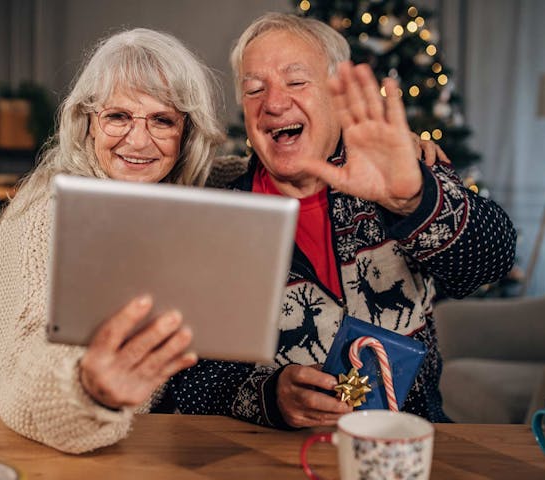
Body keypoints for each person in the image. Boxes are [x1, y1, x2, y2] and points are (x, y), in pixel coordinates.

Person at [165, 12, 517, 428]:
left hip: (410, 442)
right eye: (254, 88)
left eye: (297, 82)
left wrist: (414, 202)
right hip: (275, 458)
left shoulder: (401, 174)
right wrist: (270, 395)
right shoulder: (216, 220)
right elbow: (185, 381)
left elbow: (493, 260)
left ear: (336, 94)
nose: (274, 103)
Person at [0, 28, 230, 453]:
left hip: (114, 449)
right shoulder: (44, 212)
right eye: (118, 116)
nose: (138, 141)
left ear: (186, 134)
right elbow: (26, 365)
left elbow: (249, 171)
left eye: (162, 120)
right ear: (88, 123)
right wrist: (88, 385)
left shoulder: (174, 197)